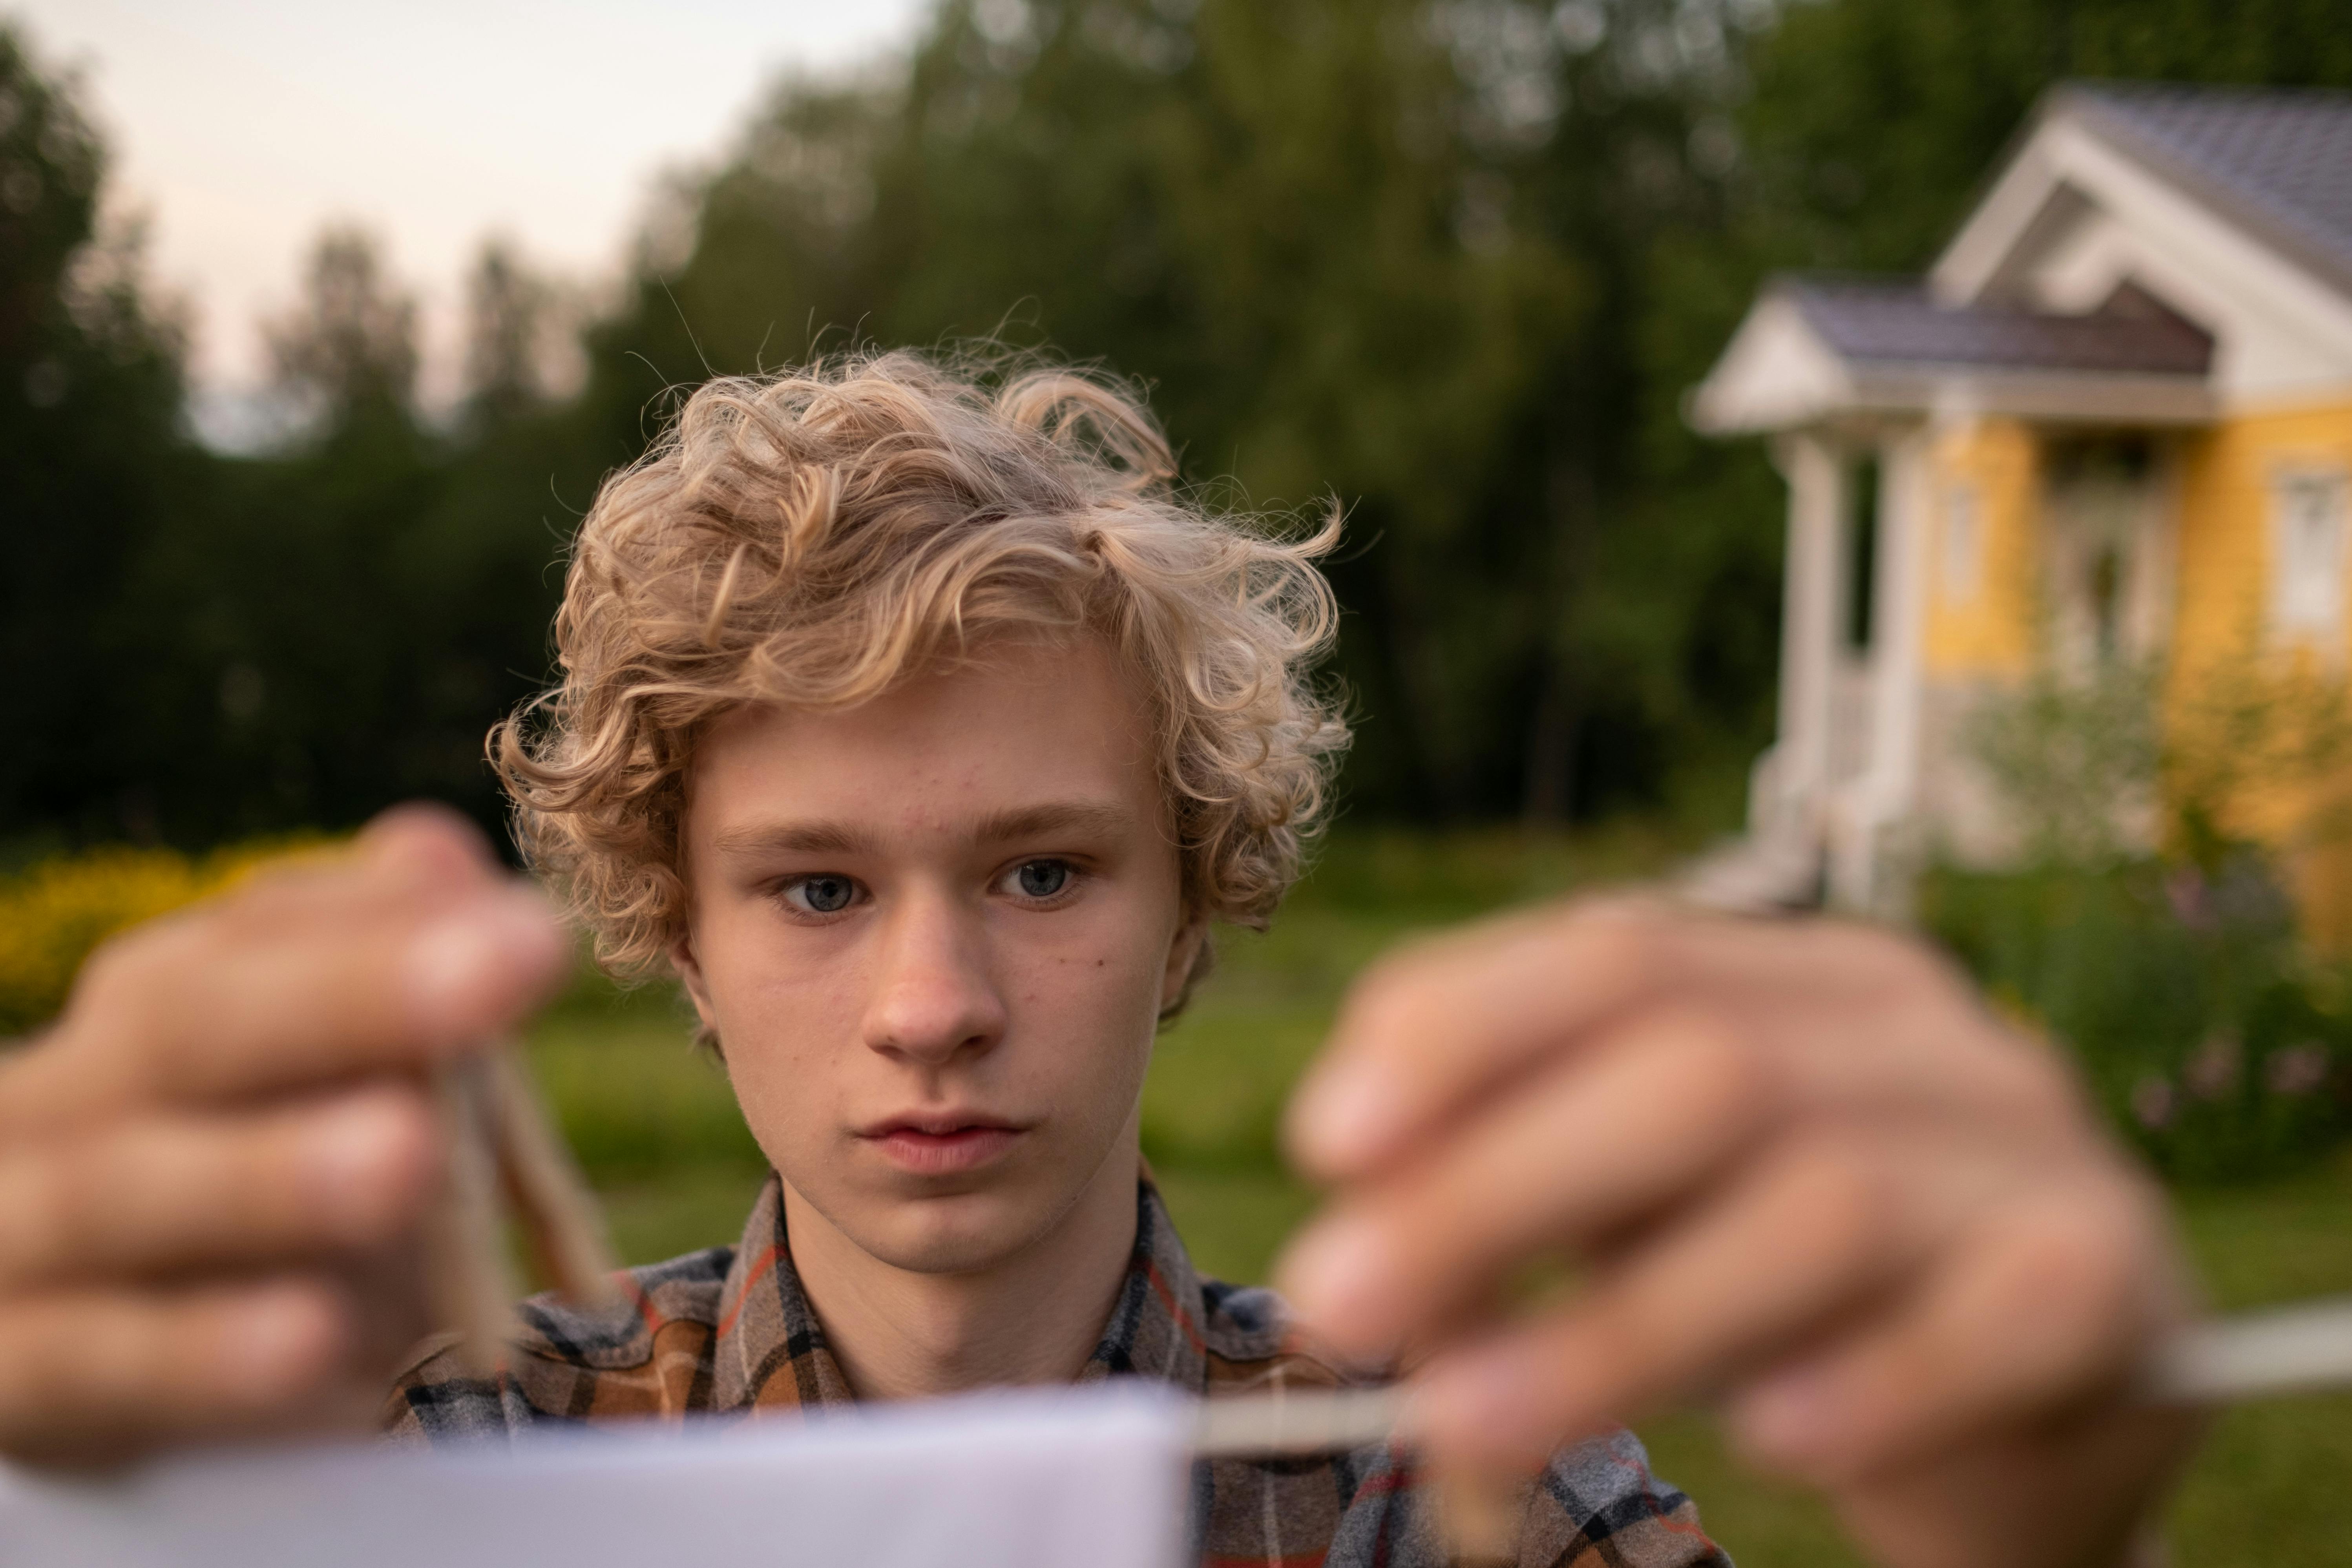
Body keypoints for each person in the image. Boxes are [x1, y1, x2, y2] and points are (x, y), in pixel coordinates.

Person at [0, 352, 2196, 1567]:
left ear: (1190, 911)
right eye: (816, 888)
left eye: (1042, 874)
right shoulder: (457, 1474)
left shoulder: (1468, 1506)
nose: (933, 1003)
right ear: (672, 935)